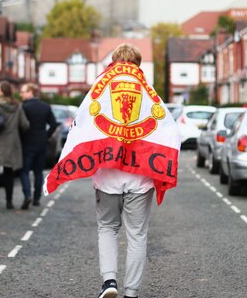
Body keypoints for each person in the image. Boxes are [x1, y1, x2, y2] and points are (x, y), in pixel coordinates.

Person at [43, 43, 181, 298]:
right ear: (138, 64)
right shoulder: (149, 93)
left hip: (107, 177)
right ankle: (131, 292)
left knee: (107, 227)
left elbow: (80, 126)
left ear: (113, 62)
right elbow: (169, 130)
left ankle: (109, 283)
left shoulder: (99, 89)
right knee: (137, 235)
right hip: (140, 177)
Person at [0, 81, 30, 213]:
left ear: (3, 91)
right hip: (11, 143)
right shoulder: (17, 106)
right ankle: (9, 202)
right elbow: (25, 125)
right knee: (8, 173)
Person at [18, 83, 58, 209]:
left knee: (24, 171)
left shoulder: (24, 107)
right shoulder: (45, 106)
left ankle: (27, 195)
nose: (21, 94)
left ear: (31, 92)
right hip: (41, 143)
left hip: (27, 142)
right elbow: (53, 124)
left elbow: (20, 125)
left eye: (23, 92)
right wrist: (46, 136)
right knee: (38, 172)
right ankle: (36, 199)